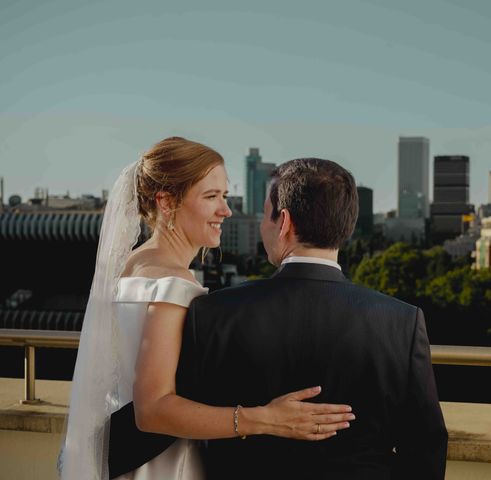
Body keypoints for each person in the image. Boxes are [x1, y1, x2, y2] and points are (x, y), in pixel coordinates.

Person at [59, 138, 355, 480]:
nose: (225, 210)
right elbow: (153, 410)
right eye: (211, 196)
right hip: (161, 465)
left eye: (225, 196)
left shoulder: (128, 267)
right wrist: (266, 419)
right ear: (167, 202)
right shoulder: (172, 285)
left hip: (116, 456)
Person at [176, 157, 449, 479]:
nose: (265, 225)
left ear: (285, 222)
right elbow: (425, 447)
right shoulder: (402, 322)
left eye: (266, 214)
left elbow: (180, 420)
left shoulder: (213, 313)